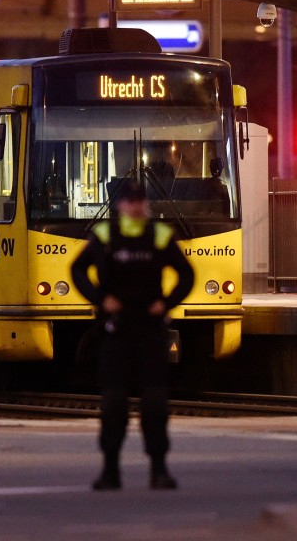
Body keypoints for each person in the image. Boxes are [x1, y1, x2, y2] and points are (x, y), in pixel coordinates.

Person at [70, 178, 195, 491]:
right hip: (116, 331)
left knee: (155, 403)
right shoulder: (105, 235)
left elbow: (187, 275)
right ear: (120, 206)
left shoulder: (160, 235)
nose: (137, 207)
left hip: (150, 332)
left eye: (141, 202)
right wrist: (101, 300)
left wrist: (166, 304)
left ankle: (159, 469)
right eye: (131, 201)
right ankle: (110, 471)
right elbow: (77, 270)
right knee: (113, 404)